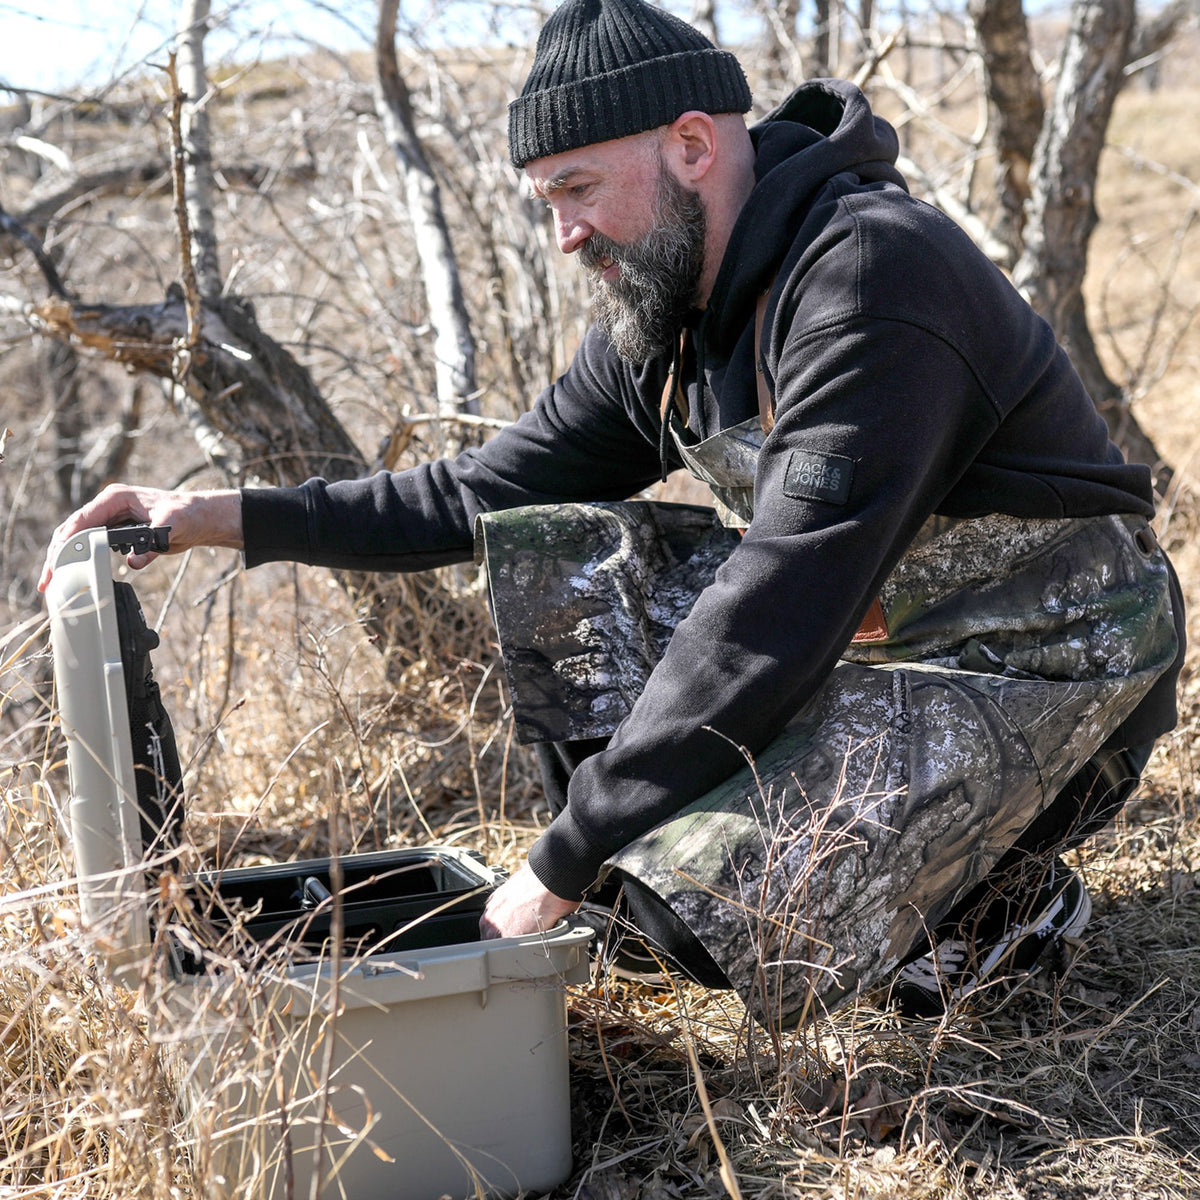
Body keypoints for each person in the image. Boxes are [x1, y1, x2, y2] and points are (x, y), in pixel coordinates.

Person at [41, 0, 1184, 1024]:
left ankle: (999, 890)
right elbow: (478, 490)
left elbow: (779, 601)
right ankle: (734, 859)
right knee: (560, 558)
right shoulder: (667, 312)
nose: (565, 236)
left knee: (699, 922)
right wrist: (214, 515)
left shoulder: (871, 278)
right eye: (547, 202)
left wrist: (562, 858)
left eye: (578, 190)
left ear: (692, 147)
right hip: (878, 639)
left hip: (1045, 658)